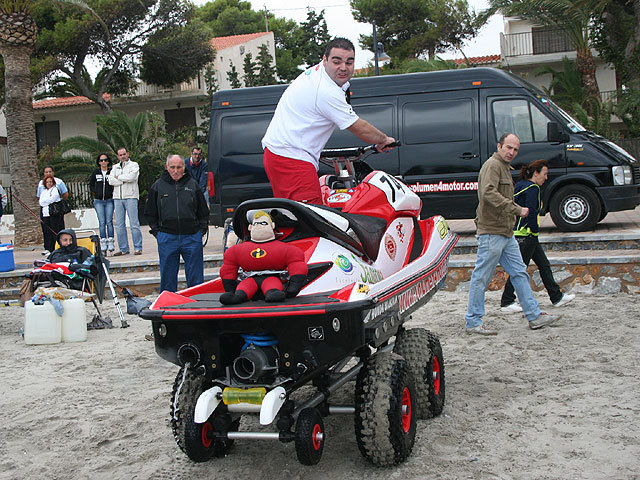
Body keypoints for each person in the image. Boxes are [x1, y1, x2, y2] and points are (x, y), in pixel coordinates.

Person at [261, 37, 396, 204]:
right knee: (310, 215)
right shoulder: (326, 91)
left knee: (295, 214)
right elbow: (358, 127)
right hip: (291, 158)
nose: (343, 68)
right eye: (336, 62)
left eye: (349, 62)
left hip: (281, 154)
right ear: (325, 60)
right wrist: (384, 140)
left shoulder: (318, 73)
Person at [465, 133, 561, 335]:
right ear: (499, 146)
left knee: (519, 272)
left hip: (505, 232)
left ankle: (534, 316)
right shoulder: (493, 166)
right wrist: (517, 209)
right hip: (492, 231)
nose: (512, 152)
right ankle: (473, 321)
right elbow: (488, 194)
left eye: (515, 149)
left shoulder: (503, 167)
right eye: (508, 147)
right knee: (481, 277)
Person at [500, 160, 575, 312]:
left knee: (543, 265)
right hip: (526, 234)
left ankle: (556, 297)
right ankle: (507, 301)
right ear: (536, 173)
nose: (546, 178)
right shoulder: (533, 188)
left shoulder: (520, 185)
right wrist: (534, 231)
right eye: (544, 174)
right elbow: (531, 212)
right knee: (520, 269)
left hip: (521, 233)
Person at [145, 154, 209, 292]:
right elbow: (150, 212)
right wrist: (158, 233)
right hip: (167, 238)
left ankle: (197, 302)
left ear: (184, 167)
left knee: (196, 278)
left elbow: (203, 211)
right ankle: (169, 304)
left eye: (179, 167)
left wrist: (201, 230)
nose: (176, 171)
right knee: (168, 278)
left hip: (191, 238)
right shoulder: (158, 186)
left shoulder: (193, 185)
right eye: (172, 167)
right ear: (166, 167)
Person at [108, 147, 143, 256]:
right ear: (118, 156)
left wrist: (119, 177)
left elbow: (132, 177)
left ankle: (138, 247)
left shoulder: (134, 165)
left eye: (124, 154)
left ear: (127, 154)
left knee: (134, 224)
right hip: (117, 198)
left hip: (131, 196)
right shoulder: (115, 167)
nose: (123, 156)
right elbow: (110, 180)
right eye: (120, 155)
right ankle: (123, 248)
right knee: (119, 225)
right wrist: (122, 180)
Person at [89, 153, 115, 255]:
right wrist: (96, 192)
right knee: (102, 222)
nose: (103, 162)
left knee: (109, 221)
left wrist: (111, 192)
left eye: (105, 160)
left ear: (108, 161)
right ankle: (103, 241)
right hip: (99, 201)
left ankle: (111, 241)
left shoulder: (111, 172)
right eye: (101, 160)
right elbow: (91, 184)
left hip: (109, 200)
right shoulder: (96, 173)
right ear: (99, 162)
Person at [39, 176, 66, 255]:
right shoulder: (44, 192)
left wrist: (46, 201)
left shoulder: (55, 190)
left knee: (54, 230)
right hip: (45, 214)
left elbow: (52, 199)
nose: (49, 183)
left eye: (50, 182)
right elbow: (41, 202)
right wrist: (46, 201)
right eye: (47, 182)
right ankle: (48, 248)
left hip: (53, 214)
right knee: (47, 232)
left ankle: (56, 247)